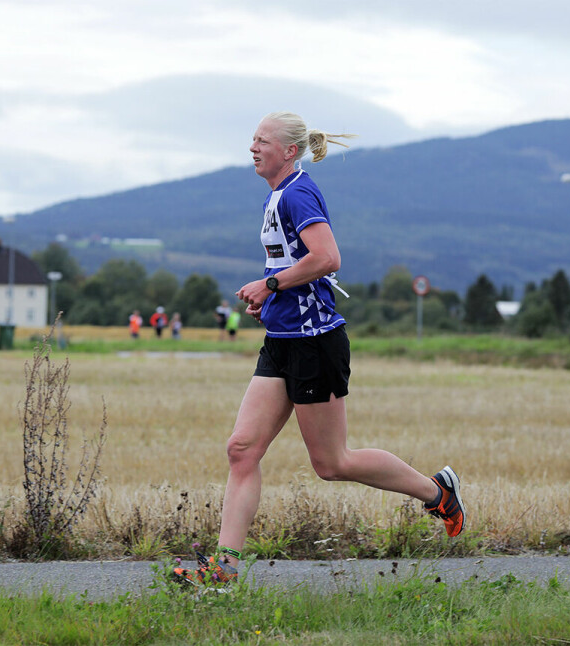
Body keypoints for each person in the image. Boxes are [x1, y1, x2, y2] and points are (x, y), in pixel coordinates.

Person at [174, 111, 465, 585]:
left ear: (289, 151)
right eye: (252, 139)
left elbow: (328, 257)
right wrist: (270, 299)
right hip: (282, 340)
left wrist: (270, 284)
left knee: (332, 464)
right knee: (241, 450)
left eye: (262, 141)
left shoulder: (299, 192)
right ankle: (223, 571)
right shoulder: (276, 196)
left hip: (315, 343)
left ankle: (437, 493)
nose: (252, 147)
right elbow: (297, 266)